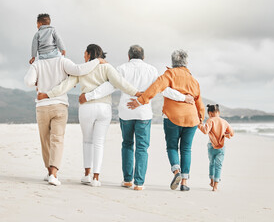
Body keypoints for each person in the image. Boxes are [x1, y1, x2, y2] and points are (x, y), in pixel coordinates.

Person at [78, 45, 195, 190]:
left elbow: (109, 86)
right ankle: (139, 183)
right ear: (143, 57)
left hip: (126, 112)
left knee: (127, 144)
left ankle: (127, 180)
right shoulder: (151, 70)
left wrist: (89, 96)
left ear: (128, 56)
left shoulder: (121, 68)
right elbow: (163, 90)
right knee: (142, 148)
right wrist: (184, 98)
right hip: (143, 113)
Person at [37, 44, 141, 187]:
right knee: (99, 142)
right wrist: (136, 93)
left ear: (89, 53)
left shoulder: (83, 69)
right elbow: (120, 83)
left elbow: (65, 86)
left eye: (84, 53)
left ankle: (86, 174)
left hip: (86, 108)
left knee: (87, 141)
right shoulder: (107, 67)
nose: (83, 56)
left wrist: (48, 94)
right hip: (104, 108)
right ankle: (96, 178)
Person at [24, 47, 104, 186]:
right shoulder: (63, 61)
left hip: (42, 106)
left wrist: (37, 81)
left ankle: (49, 171)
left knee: (45, 140)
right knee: (57, 139)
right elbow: (79, 70)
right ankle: (53, 175)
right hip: (59, 105)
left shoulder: (37, 64)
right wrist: (97, 60)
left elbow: (28, 82)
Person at [127, 49, 205, 191]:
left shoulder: (169, 74)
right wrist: (201, 118)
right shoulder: (194, 80)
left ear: (172, 62)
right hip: (191, 118)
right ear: (186, 62)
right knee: (186, 149)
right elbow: (199, 101)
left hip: (172, 116)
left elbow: (155, 88)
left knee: (172, 147)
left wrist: (140, 101)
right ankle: (185, 183)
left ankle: (177, 172)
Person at [198, 104, 234, 191]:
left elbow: (205, 131)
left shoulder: (210, 120)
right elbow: (231, 133)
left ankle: (211, 181)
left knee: (211, 163)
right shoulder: (224, 122)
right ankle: (215, 186)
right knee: (219, 166)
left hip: (211, 146)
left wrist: (199, 125)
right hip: (221, 147)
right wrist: (225, 135)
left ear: (209, 113)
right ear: (219, 112)